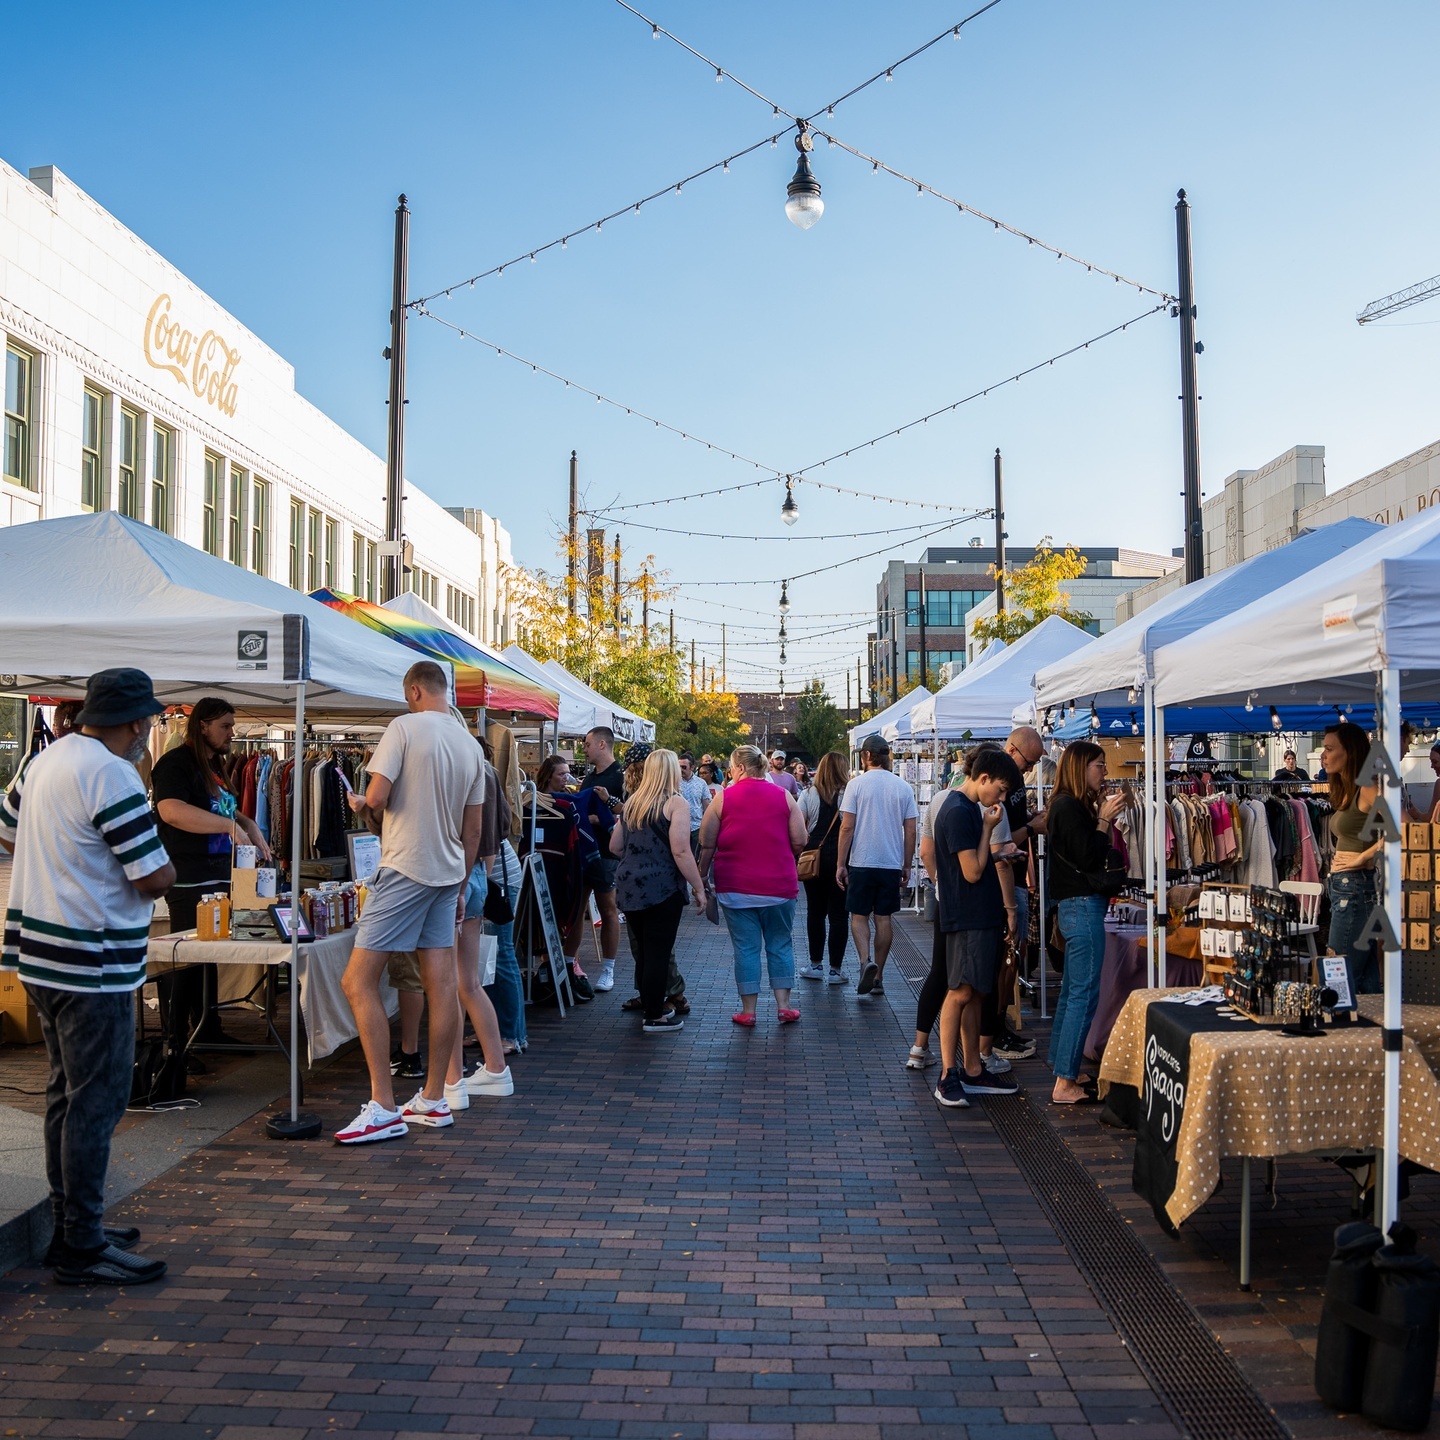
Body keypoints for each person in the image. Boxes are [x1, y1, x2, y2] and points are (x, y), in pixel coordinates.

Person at [0, 668, 175, 1284]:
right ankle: (81, 1242)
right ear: (133, 722)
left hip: (41, 953)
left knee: (64, 1094)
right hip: (91, 959)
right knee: (96, 1102)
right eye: (149, 721)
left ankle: (74, 1222)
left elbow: (6, 830)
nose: (148, 731)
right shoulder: (111, 773)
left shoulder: (42, 762)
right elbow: (152, 876)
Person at [337, 660, 486, 1144]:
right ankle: (434, 1097)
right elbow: (474, 831)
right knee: (441, 982)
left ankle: (382, 1104)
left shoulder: (402, 727)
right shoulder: (470, 745)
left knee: (357, 980)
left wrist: (360, 803)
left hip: (405, 866)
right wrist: (462, 886)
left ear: (416, 691)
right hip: (447, 873)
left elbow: (377, 798)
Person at [150, 697, 272, 1051]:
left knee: (208, 959)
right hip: (189, 879)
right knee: (186, 961)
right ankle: (175, 1042)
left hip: (218, 876)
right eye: (225, 725)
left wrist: (248, 824)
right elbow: (171, 811)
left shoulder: (216, 765)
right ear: (202, 725)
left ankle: (207, 1027)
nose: (231, 732)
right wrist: (228, 826)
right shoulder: (176, 764)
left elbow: (228, 811)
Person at [930, 748, 1024, 1107]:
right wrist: (988, 831)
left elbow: (972, 865)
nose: (999, 798)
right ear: (983, 778)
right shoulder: (960, 812)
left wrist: (996, 852)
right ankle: (947, 1074)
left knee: (973, 991)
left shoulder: (965, 808)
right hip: (967, 915)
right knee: (960, 991)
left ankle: (970, 1068)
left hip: (976, 915)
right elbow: (971, 871)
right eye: (999, 789)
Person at [699, 745, 808, 1026]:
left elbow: (706, 842)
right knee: (780, 944)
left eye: (732, 768)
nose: (730, 773)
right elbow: (800, 839)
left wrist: (701, 876)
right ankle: (784, 1005)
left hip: (736, 886)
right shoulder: (783, 796)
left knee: (746, 948)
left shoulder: (723, 798)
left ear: (741, 768)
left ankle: (749, 1011)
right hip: (779, 886)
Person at [1046, 740, 1125, 1105]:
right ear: (1081, 768)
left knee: (1072, 991)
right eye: (1099, 764)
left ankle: (1066, 1065)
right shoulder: (1067, 807)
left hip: (1074, 904)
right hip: (1081, 903)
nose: (1104, 771)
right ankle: (1064, 1081)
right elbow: (1090, 855)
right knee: (1082, 992)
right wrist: (1104, 820)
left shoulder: (1067, 806)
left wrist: (1100, 816)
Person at [610, 749, 708, 1034]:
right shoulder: (675, 803)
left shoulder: (632, 803)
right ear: (671, 772)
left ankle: (649, 1002)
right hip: (661, 887)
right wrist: (698, 887)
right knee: (658, 952)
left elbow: (614, 846)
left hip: (629, 886)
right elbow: (681, 849)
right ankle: (654, 1015)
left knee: (644, 949)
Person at [446, 718, 515, 1110]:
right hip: (475, 876)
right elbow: (499, 828)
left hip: (454, 875)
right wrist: (480, 876)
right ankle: (494, 1067)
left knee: (449, 983)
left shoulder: (458, 767)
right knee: (466, 982)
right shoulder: (485, 769)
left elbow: (469, 833)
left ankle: (450, 1080)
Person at [836, 734, 918, 997]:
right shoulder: (903, 787)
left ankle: (864, 962)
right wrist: (907, 864)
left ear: (867, 756)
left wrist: (841, 863)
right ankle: (879, 975)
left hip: (862, 860)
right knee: (884, 918)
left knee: (859, 916)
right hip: (890, 862)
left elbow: (847, 826)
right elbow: (912, 830)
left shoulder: (856, 785)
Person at [1322, 720, 1381, 1001]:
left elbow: (1404, 829)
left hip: (1355, 888)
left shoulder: (1369, 788)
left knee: (1337, 971)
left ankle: (1336, 1034)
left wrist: (1364, 857)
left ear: (1351, 752)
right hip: (1345, 887)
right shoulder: (1348, 789)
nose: (1324, 755)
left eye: (1329, 749)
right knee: (1366, 977)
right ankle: (1372, 1035)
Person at [569, 727, 623, 994]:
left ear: (602, 744)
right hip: (584, 851)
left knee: (607, 908)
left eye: (588, 744)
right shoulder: (589, 779)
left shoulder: (619, 776)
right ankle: (570, 963)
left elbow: (626, 814)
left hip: (607, 853)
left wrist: (597, 819)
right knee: (577, 908)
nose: (584, 748)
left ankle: (609, 969)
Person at [797, 751, 851, 983]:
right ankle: (836, 970)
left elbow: (799, 827)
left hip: (814, 857)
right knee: (839, 915)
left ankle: (816, 964)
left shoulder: (808, 794)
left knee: (815, 912)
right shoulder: (849, 794)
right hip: (843, 857)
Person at [677, 751, 712, 865]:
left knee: (695, 858)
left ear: (692, 767)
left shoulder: (701, 783)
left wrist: (707, 826)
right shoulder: (674, 782)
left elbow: (706, 805)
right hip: (678, 827)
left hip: (696, 827)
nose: (681, 769)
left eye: (684, 767)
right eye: (679, 767)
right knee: (680, 858)